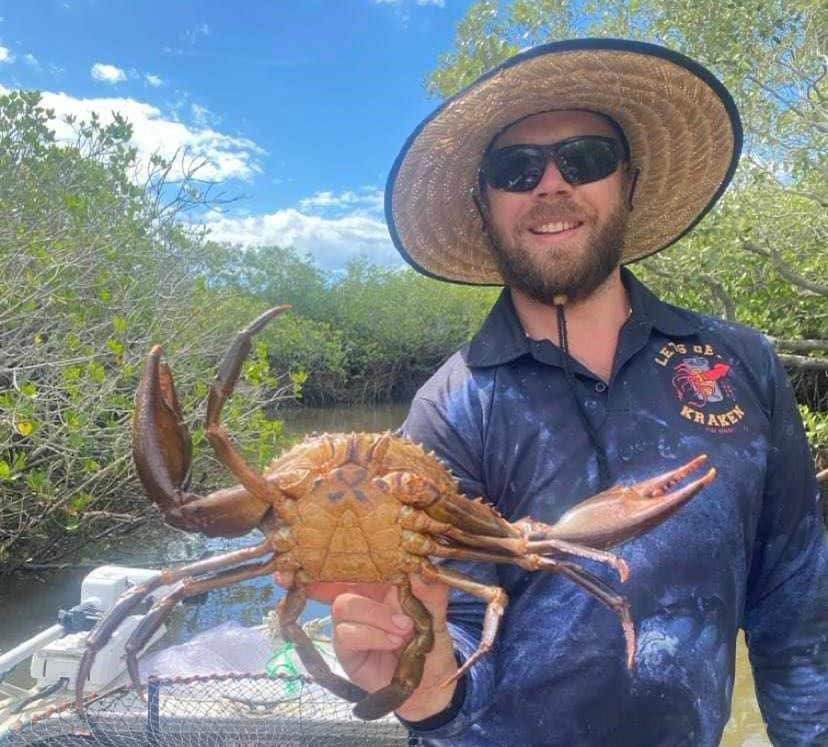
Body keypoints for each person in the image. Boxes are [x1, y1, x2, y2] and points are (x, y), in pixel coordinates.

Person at [293, 39, 827, 745]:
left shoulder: (741, 362)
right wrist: (415, 682)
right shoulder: (450, 408)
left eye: (585, 159)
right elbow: (448, 640)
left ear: (628, 182)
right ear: (483, 204)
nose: (551, 184)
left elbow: (796, 605)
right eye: (515, 169)